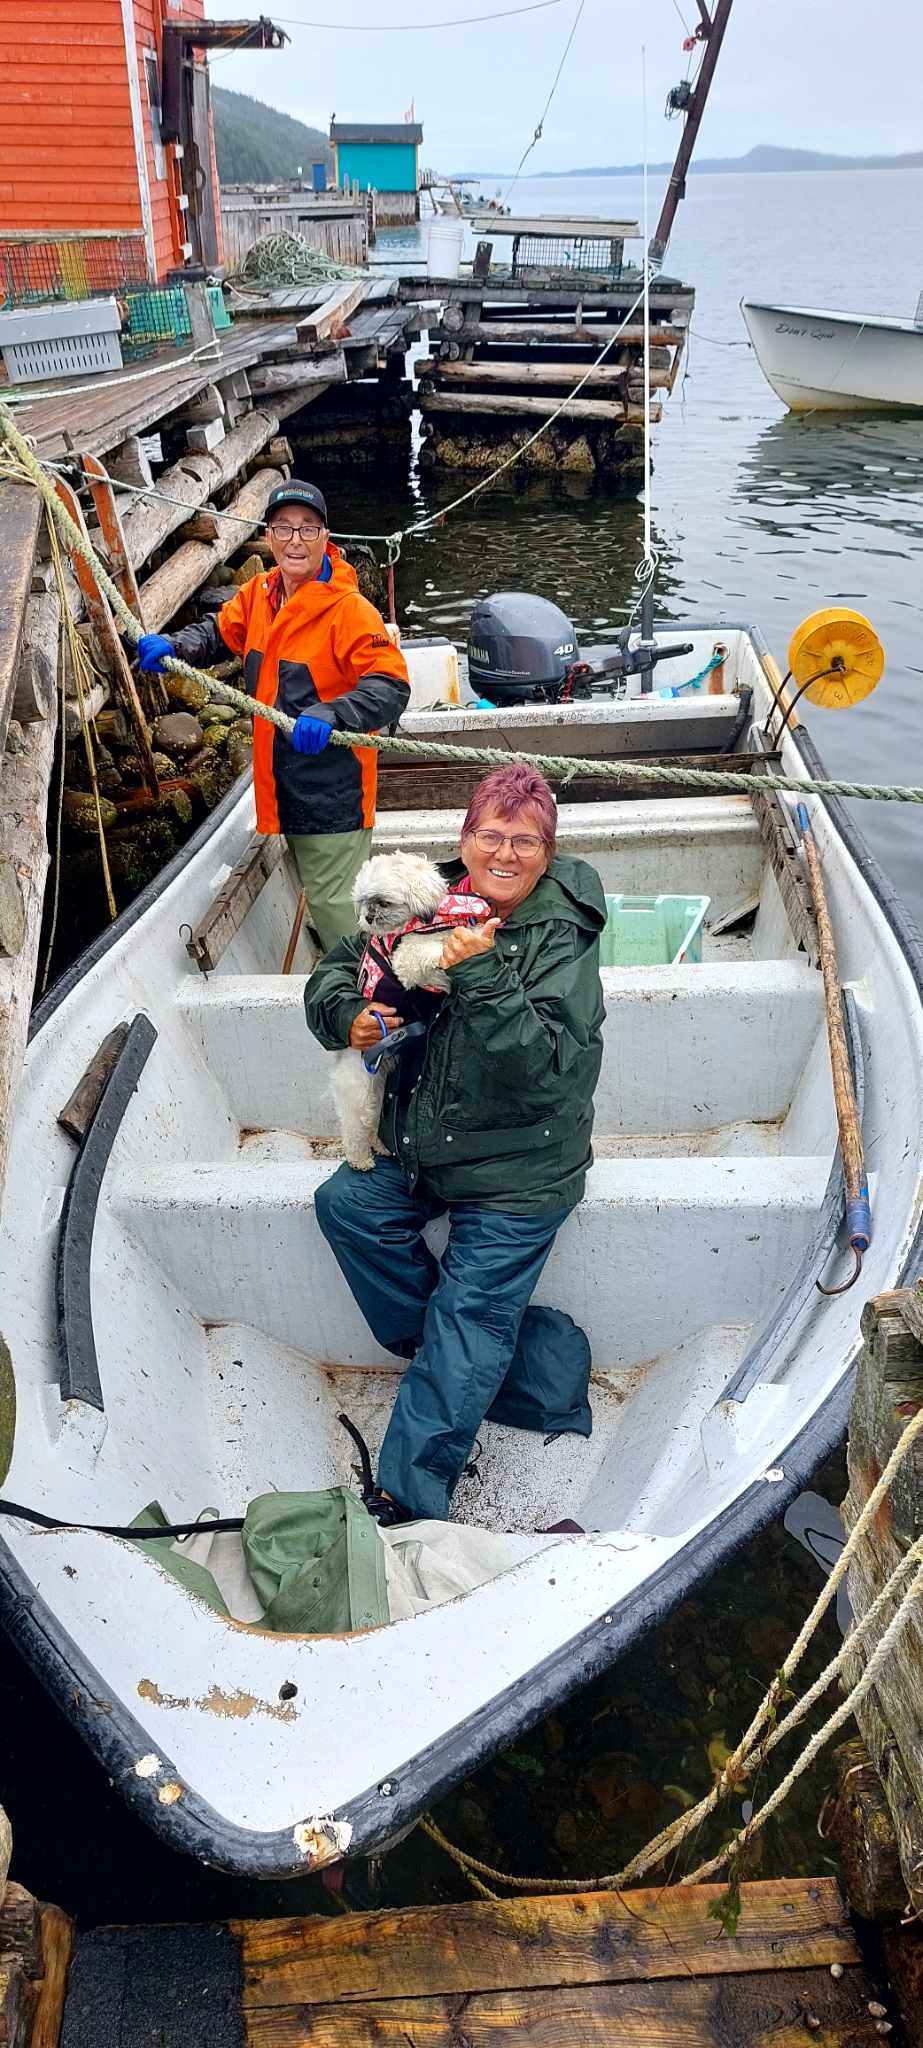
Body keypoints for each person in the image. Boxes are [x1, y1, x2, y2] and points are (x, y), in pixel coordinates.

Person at [304, 763, 606, 1524]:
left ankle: (406, 1501)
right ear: (464, 839)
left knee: (467, 1324)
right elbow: (341, 965)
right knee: (346, 1204)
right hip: (424, 1143)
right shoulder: (426, 897)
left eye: (525, 842)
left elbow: (540, 1069)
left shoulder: (559, 936)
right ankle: (494, 1357)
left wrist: (480, 970)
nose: (504, 855)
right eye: (489, 836)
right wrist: (348, 1016)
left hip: (519, 1168)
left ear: (548, 851)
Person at [135, 480, 410, 952]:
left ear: (326, 537)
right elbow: (220, 632)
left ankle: (368, 1004)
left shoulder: (350, 611)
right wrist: (175, 646)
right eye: (284, 529)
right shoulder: (260, 593)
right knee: (317, 894)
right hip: (280, 789)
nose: (295, 541)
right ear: (268, 535)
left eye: (308, 529)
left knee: (340, 913)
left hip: (333, 797)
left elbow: (392, 686)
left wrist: (333, 712)